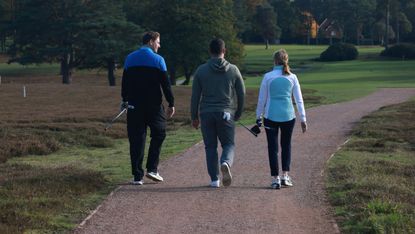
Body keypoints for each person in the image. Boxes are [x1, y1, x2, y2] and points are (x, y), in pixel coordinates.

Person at [121, 31, 175, 185]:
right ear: (151, 41)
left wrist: (124, 100)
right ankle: (152, 169)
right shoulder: (158, 60)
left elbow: (125, 83)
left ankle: (137, 176)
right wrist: (171, 103)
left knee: (136, 139)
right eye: (158, 42)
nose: (159, 45)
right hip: (154, 106)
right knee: (159, 134)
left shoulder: (130, 58)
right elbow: (166, 85)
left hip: (134, 105)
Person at [191, 38, 245, 188]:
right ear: (224, 51)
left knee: (210, 146)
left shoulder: (201, 70)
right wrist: (238, 112)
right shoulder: (233, 70)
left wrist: (194, 117)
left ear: (210, 51)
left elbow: (195, 96)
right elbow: (242, 93)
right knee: (228, 144)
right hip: (226, 112)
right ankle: (226, 162)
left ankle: (214, 180)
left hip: (206, 113)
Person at [255, 48, 307, 189]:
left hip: (270, 116)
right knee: (286, 146)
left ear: (274, 61)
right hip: (288, 116)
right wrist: (303, 118)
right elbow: (299, 99)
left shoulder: (268, 77)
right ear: (286, 61)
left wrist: (258, 117)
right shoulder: (292, 77)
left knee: (273, 148)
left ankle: (275, 179)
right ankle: (285, 175)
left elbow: (262, 99)